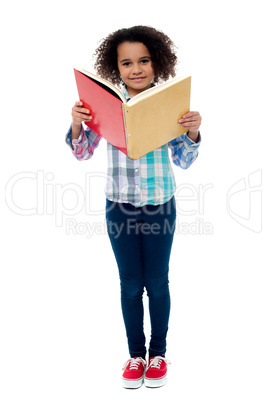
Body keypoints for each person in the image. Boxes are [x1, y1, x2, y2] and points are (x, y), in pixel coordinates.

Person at [65, 25, 202, 389]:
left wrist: (191, 132)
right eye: (127, 63)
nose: (136, 69)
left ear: (157, 63)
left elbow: (185, 161)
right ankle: (135, 356)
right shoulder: (105, 105)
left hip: (160, 206)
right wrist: (78, 125)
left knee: (156, 282)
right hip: (120, 208)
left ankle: (158, 354)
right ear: (116, 68)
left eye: (144, 60)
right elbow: (82, 153)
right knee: (129, 285)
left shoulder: (168, 104)